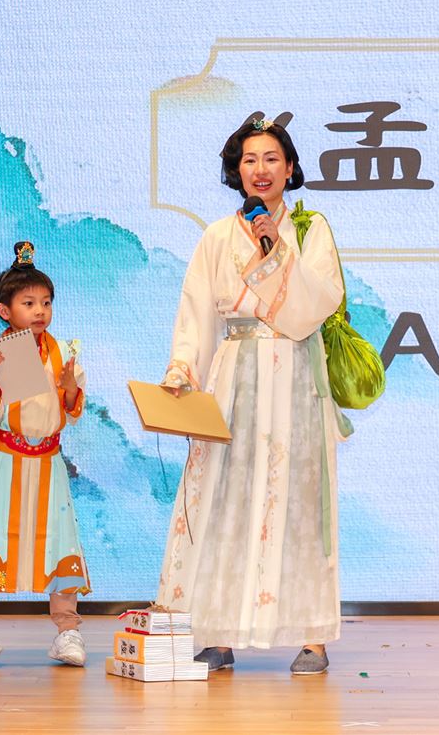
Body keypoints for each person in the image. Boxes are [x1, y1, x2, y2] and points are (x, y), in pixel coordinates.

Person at [157, 117, 347, 675]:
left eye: (271, 159)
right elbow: (196, 312)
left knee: (300, 503)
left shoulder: (311, 230)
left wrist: (276, 250)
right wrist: (182, 370)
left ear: (290, 169)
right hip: (234, 373)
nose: (260, 170)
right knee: (225, 500)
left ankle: (312, 635)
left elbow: (319, 304)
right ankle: (217, 630)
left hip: (295, 373)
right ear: (235, 171)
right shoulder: (217, 236)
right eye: (249, 160)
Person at [0, 241, 90, 668]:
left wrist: (69, 387)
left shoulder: (64, 352)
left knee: (59, 539)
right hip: (7, 463)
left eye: (46, 302)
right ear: (5, 310)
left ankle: (67, 631)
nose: (40, 311)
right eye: (29, 303)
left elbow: (72, 413)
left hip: (49, 463)